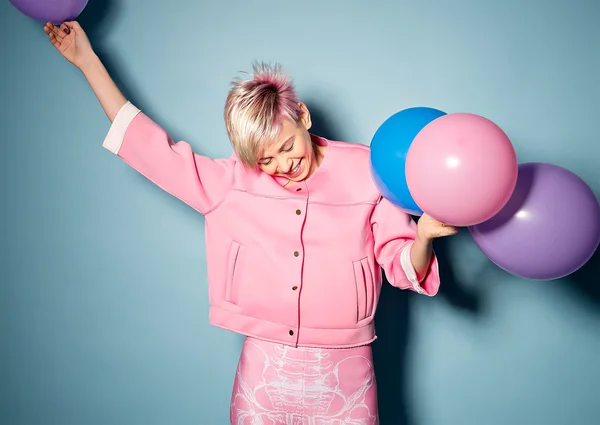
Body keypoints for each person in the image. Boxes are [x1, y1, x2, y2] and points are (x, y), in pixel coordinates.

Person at [44, 20, 458, 425]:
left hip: (346, 375)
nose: (283, 166)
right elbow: (151, 150)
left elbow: (402, 266)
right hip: (265, 375)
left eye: (286, 146)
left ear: (304, 117)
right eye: (266, 160)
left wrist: (422, 236)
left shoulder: (367, 171)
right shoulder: (233, 183)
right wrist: (87, 62)